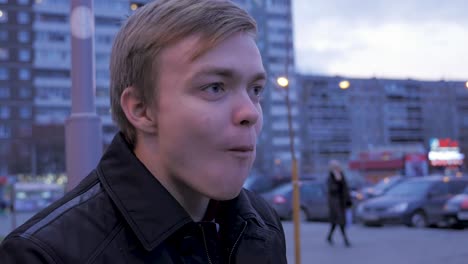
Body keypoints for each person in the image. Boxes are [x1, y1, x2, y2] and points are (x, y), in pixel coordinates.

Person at [0, 0, 287, 263]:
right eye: (215, 87)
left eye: (256, 90)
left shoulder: (261, 225)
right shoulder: (44, 255)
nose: (250, 112)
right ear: (140, 109)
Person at [326, 160, 352, 247]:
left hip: (342, 202)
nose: (337, 169)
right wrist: (337, 181)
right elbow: (332, 190)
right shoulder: (331, 178)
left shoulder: (342, 176)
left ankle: (329, 236)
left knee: (335, 222)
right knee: (340, 221)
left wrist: (348, 201)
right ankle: (346, 240)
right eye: (335, 167)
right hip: (335, 203)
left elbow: (346, 189)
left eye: (338, 167)